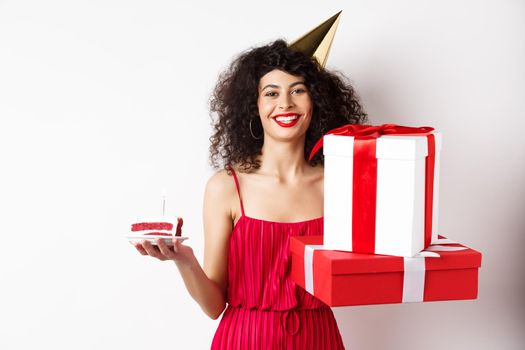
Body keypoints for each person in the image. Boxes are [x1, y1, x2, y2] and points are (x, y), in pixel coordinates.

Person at [133, 39, 367, 349]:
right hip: (246, 339)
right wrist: (185, 260)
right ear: (253, 107)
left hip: (319, 338)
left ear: (317, 101)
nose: (285, 104)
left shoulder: (342, 184)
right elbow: (214, 306)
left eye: (298, 90)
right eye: (271, 93)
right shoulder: (226, 187)